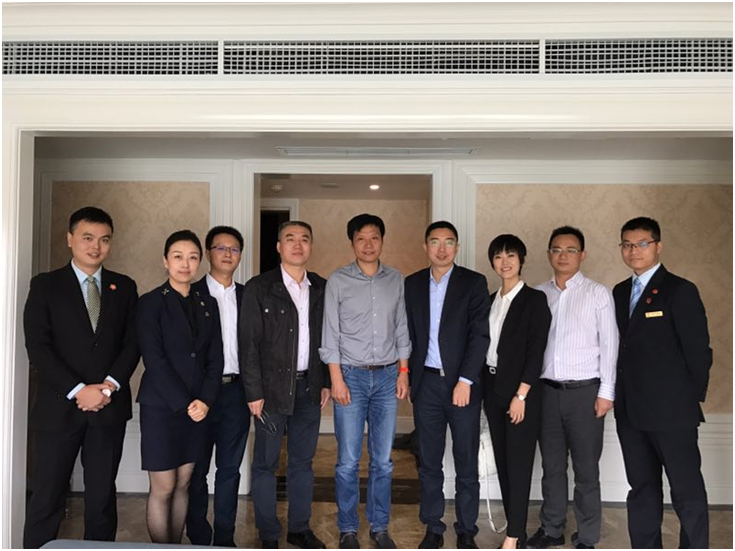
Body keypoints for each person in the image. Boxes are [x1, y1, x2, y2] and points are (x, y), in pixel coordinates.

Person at [22, 206, 140, 549]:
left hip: (108, 408)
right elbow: (38, 347)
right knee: (47, 494)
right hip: (57, 409)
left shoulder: (124, 287)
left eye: (104, 239)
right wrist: (78, 390)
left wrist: (108, 387)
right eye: (88, 237)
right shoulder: (45, 285)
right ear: (70, 239)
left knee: (101, 499)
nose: (96, 246)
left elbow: (133, 343)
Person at [612, 217, 711, 549]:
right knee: (641, 489)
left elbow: (698, 352)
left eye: (642, 244)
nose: (634, 251)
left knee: (686, 490)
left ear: (658, 246)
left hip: (672, 413)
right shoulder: (620, 292)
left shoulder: (680, 290)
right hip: (631, 412)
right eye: (627, 244)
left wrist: (686, 401)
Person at [320, 213, 411, 550]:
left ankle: (379, 526)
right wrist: (336, 379)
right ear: (352, 243)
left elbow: (401, 327)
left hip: (387, 376)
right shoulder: (338, 280)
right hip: (351, 377)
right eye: (361, 238)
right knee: (347, 461)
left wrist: (403, 372)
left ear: (382, 241)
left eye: (374, 237)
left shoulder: (395, 279)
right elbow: (330, 333)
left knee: (383, 461)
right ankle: (347, 528)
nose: (368, 244)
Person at [241, 221, 331, 549]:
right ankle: (268, 534)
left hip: (309, 388)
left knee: (302, 463)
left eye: (304, 239)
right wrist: (253, 392)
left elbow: (328, 338)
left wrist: (324, 381)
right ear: (278, 247)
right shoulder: (259, 287)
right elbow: (248, 344)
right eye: (290, 239)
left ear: (311, 246)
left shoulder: (321, 287)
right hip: (269, 391)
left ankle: (298, 529)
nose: (297, 245)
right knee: (265, 464)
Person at [527, 226, 618, 550]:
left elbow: (609, 345)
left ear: (582, 255)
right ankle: (552, 529)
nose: (562, 255)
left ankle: (588, 534)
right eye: (556, 249)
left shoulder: (597, 294)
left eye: (570, 250)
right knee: (551, 467)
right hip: (547, 393)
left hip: (586, 394)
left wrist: (606, 393)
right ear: (548, 254)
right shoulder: (539, 295)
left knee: (586, 469)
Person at [404, 221, 490, 550]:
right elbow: (407, 333)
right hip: (425, 384)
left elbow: (479, 335)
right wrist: (404, 374)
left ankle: (466, 529)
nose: (442, 249)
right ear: (425, 247)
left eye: (449, 242)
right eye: (435, 242)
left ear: (457, 247)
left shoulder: (473, 283)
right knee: (429, 461)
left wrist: (466, 379)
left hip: (462, 385)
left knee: (466, 460)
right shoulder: (412, 284)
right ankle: (433, 526)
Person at [136, 230, 224, 544]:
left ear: (200, 261)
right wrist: (185, 402)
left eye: (192, 257)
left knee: (184, 484)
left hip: (198, 408)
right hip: (162, 407)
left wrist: (206, 400)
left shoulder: (207, 302)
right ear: (165, 261)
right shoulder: (150, 303)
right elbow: (154, 359)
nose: (185, 264)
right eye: (178, 257)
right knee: (163, 487)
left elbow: (215, 358)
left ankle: (176, 547)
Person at [483, 234, 551, 550]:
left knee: (519, 464)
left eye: (511, 255)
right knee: (504, 463)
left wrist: (521, 395)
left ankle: (513, 536)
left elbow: (536, 352)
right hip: (493, 389)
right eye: (498, 256)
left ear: (521, 260)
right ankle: (516, 530)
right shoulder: (490, 300)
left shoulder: (534, 300)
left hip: (521, 394)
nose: (505, 262)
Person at [186, 226, 250, 547]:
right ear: (208, 253)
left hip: (237, 393)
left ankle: (225, 539)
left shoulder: (248, 296)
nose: (227, 254)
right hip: (199, 396)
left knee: (229, 470)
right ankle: (199, 536)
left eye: (234, 249)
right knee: (196, 470)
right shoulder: (190, 294)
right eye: (220, 248)